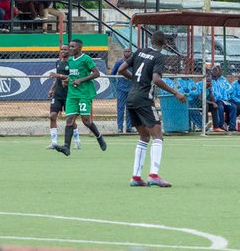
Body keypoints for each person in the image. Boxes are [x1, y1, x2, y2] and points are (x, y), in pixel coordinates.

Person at [119, 31, 187, 187]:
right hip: (144, 99)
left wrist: (137, 80)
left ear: (151, 40)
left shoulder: (140, 51)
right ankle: (154, 176)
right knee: (158, 137)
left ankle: (136, 178)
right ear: (165, 44)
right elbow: (156, 79)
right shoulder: (159, 57)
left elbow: (121, 69)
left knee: (144, 137)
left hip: (131, 97)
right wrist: (176, 92)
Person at [51, 39, 107, 157]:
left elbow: (97, 73)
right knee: (69, 120)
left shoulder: (86, 59)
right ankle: (66, 147)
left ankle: (99, 136)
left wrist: (80, 80)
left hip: (84, 94)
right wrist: (68, 80)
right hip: (72, 94)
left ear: (79, 48)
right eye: (69, 46)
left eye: (72, 47)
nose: (70, 48)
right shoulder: (70, 60)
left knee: (86, 121)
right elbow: (73, 75)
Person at [45, 45, 78, 150]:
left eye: (65, 49)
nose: (63, 51)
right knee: (52, 116)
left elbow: (73, 77)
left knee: (70, 119)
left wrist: (59, 76)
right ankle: (54, 142)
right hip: (58, 94)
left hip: (69, 94)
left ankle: (77, 140)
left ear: (69, 51)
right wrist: (52, 89)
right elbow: (57, 79)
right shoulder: (58, 62)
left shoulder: (72, 62)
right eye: (62, 49)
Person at [110, 49, 133, 133]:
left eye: (129, 51)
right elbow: (112, 74)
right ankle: (120, 127)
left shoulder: (134, 63)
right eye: (126, 51)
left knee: (130, 108)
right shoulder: (119, 62)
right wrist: (115, 85)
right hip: (121, 88)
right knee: (120, 108)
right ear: (123, 53)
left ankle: (129, 127)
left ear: (131, 52)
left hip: (131, 88)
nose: (127, 53)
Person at [204, 64, 230, 132]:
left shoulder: (222, 80)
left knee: (233, 107)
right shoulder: (201, 84)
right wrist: (212, 102)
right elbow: (201, 99)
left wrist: (210, 91)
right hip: (203, 102)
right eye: (214, 70)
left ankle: (220, 127)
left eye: (217, 70)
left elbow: (213, 99)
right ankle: (208, 125)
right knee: (218, 106)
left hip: (219, 100)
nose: (208, 82)